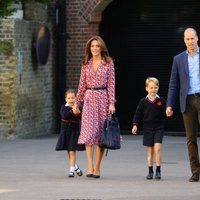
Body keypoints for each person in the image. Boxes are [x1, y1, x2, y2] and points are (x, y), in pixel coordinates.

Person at [73, 36, 116, 178]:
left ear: (101, 47)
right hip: (89, 98)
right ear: (89, 48)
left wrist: (111, 103)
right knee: (88, 133)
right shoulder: (86, 64)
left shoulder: (108, 63)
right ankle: (90, 166)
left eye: (97, 46)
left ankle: (97, 167)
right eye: (92, 46)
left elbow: (111, 84)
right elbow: (81, 85)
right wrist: (76, 103)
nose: (95, 49)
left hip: (103, 98)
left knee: (101, 135)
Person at [166, 27, 200, 182]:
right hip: (187, 101)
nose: (190, 42)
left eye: (192, 38)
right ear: (184, 41)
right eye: (187, 39)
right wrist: (169, 105)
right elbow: (174, 83)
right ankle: (195, 172)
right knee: (190, 138)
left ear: (197, 38)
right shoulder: (178, 59)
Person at [132, 77, 166, 180]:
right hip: (147, 128)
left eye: (155, 87)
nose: (153, 90)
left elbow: (167, 111)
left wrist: (169, 111)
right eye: (151, 88)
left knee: (158, 148)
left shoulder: (161, 100)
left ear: (158, 88)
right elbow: (137, 114)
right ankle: (150, 170)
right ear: (146, 88)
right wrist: (135, 125)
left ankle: (158, 170)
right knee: (150, 150)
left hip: (159, 127)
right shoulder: (143, 101)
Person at [55, 89, 85, 178]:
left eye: (73, 98)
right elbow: (65, 116)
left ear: (76, 98)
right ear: (66, 99)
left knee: (72, 151)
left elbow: (81, 116)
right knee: (69, 151)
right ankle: (76, 167)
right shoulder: (64, 108)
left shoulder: (78, 107)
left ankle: (71, 170)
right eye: (69, 98)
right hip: (65, 131)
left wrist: (78, 112)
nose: (71, 100)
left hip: (74, 132)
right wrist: (72, 111)